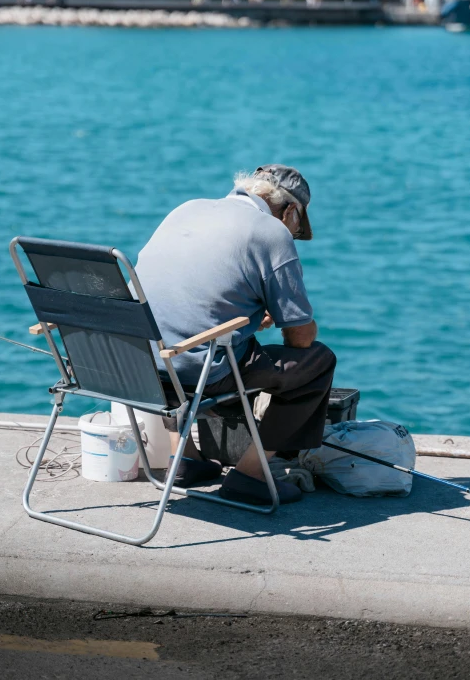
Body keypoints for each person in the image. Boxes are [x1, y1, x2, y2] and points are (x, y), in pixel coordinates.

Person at [135, 165, 336, 505]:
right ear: (289, 212)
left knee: (171, 346)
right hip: (202, 374)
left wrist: (244, 318)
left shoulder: (187, 209)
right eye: (297, 225)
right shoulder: (271, 232)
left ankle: (185, 458)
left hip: (136, 365)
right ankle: (251, 475)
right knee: (317, 363)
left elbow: (181, 298)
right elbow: (299, 339)